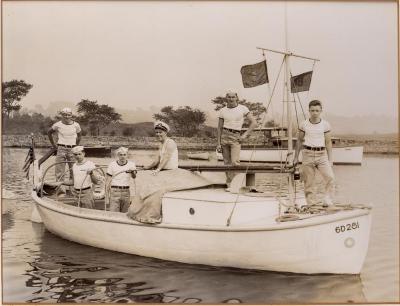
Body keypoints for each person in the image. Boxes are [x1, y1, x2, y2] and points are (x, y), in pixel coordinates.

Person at [293, 99, 335, 207]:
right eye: (312, 110)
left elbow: (328, 142)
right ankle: (311, 205)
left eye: (317, 110)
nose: (314, 113)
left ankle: (327, 199)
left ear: (321, 111)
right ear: (309, 111)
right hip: (308, 154)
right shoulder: (304, 124)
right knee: (309, 182)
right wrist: (295, 157)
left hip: (322, 155)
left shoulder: (325, 125)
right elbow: (299, 141)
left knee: (330, 177)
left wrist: (330, 159)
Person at [216, 90, 257, 186]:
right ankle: (229, 184)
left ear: (236, 98)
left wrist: (244, 135)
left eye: (233, 97)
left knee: (235, 162)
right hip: (225, 136)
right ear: (226, 98)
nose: (231, 99)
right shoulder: (222, 110)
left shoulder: (243, 108)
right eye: (229, 97)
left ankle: (236, 185)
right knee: (226, 162)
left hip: (236, 136)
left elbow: (254, 123)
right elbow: (219, 128)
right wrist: (218, 143)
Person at [47, 107, 82, 183]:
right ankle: (60, 193)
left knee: (74, 171)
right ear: (62, 115)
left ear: (71, 115)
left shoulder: (76, 125)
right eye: (64, 115)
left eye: (68, 115)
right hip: (61, 148)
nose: (66, 116)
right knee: (59, 172)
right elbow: (49, 132)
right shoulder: (57, 124)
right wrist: (53, 144)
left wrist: (76, 146)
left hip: (72, 150)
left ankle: (72, 192)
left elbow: (79, 136)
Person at [105, 147, 137, 213]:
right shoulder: (112, 164)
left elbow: (134, 177)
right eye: (121, 155)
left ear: (127, 155)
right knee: (113, 213)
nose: (123, 157)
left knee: (125, 213)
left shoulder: (131, 164)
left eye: (124, 155)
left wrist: (133, 172)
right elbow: (108, 181)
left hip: (126, 192)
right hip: (114, 191)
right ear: (118, 155)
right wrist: (107, 196)